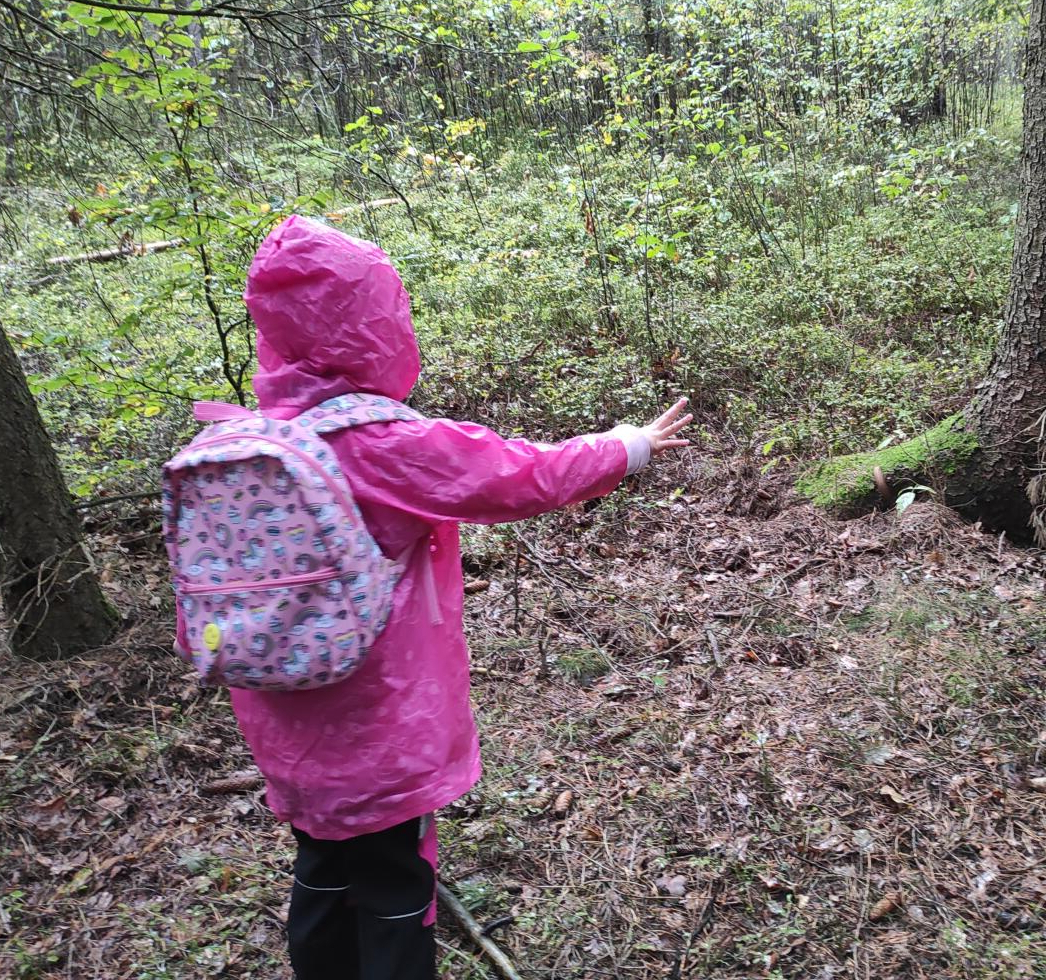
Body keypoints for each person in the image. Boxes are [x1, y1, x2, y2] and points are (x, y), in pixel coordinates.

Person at [218, 213, 692, 979]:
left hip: (284, 727)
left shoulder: (254, 440)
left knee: (324, 866)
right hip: (376, 729)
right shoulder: (380, 444)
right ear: (375, 322)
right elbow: (517, 475)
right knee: (395, 887)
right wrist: (627, 445)